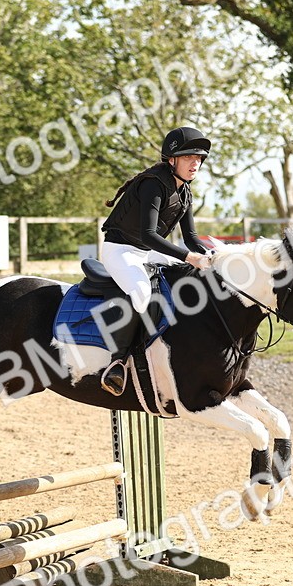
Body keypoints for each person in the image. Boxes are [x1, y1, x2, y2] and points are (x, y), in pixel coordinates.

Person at [97, 126, 214, 396]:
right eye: (189, 158)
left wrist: (211, 257)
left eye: (199, 158)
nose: (195, 163)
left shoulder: (185, 191)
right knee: (140, 292)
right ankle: (117, 361)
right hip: (121, 249)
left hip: (147, 250)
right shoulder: (153, 184)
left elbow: (192, 237)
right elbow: (149, 235)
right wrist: (189, 256)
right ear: (171, 159)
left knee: (192, 273)